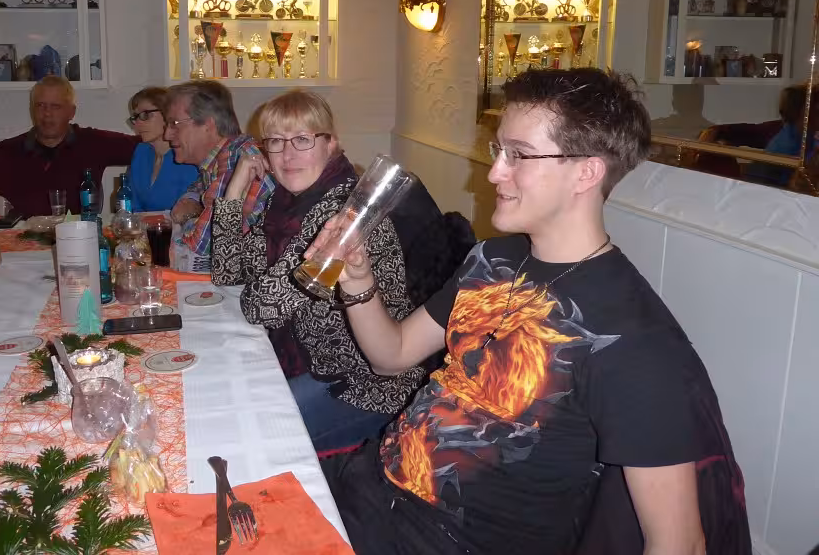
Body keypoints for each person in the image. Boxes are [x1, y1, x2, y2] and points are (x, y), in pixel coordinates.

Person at [313, 68, 750, 555]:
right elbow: (391, 356)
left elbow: (679, 542)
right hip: (367, 482)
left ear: (586, 172)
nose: (494, 172)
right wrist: (357, 280)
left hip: (443, 541)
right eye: (499, 150)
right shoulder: (492, 260)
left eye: (518, 155)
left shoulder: (634, 339)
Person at [211, 90, 423, 454]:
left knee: (244, 432)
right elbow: (227, 272)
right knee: (222, 394)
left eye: (303, 139)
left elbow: (262, 308)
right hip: (311, 370)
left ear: (331, 145)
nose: (287, 154)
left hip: (363, 386)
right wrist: (235, 189)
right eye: (276, 141)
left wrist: (260, 287)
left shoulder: (344, 213)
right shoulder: (284, 205)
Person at [0, 76, 138, 217]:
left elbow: (144, 145)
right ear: (32, 110)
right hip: (22, 235)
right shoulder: (6, 152)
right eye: (40, 105)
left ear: (71, 112)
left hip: (79, 233)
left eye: (56, 106)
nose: (47, 113)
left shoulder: (92, 143)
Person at [164, 81, 274, 271]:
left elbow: (201, 247)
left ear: (208, 125)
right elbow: (198, 186)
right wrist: (192, 200)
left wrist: (189, 218)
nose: (166, 134)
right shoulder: (221, 158)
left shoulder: (237, 160)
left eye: (174, 124)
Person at [125, 86, 197, 212]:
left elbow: (190, 210)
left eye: (146, 115)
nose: (137, 123)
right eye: (135, 117)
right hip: (141, 224)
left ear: (168, 114)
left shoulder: (187, 157)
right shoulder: (141, 152)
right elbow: (130, 203)